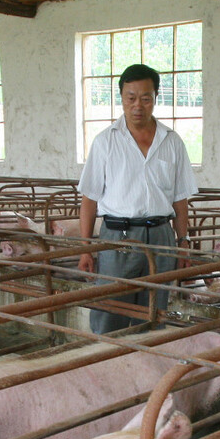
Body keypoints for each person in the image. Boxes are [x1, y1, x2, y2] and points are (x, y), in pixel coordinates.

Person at [77, 63, 197, 334]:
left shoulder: (172, 141)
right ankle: (106, 366)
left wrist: (183, 241)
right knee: (110, 308)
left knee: (154, 310)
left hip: (160, 236)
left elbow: (179, 199)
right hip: (119, 236)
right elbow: (89, 198)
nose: (138, 106)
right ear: (121, 98)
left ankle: (146, 370)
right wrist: (85, 247)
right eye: (131, 98)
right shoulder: (105, 142)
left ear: (156, 98)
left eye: (146, 98)